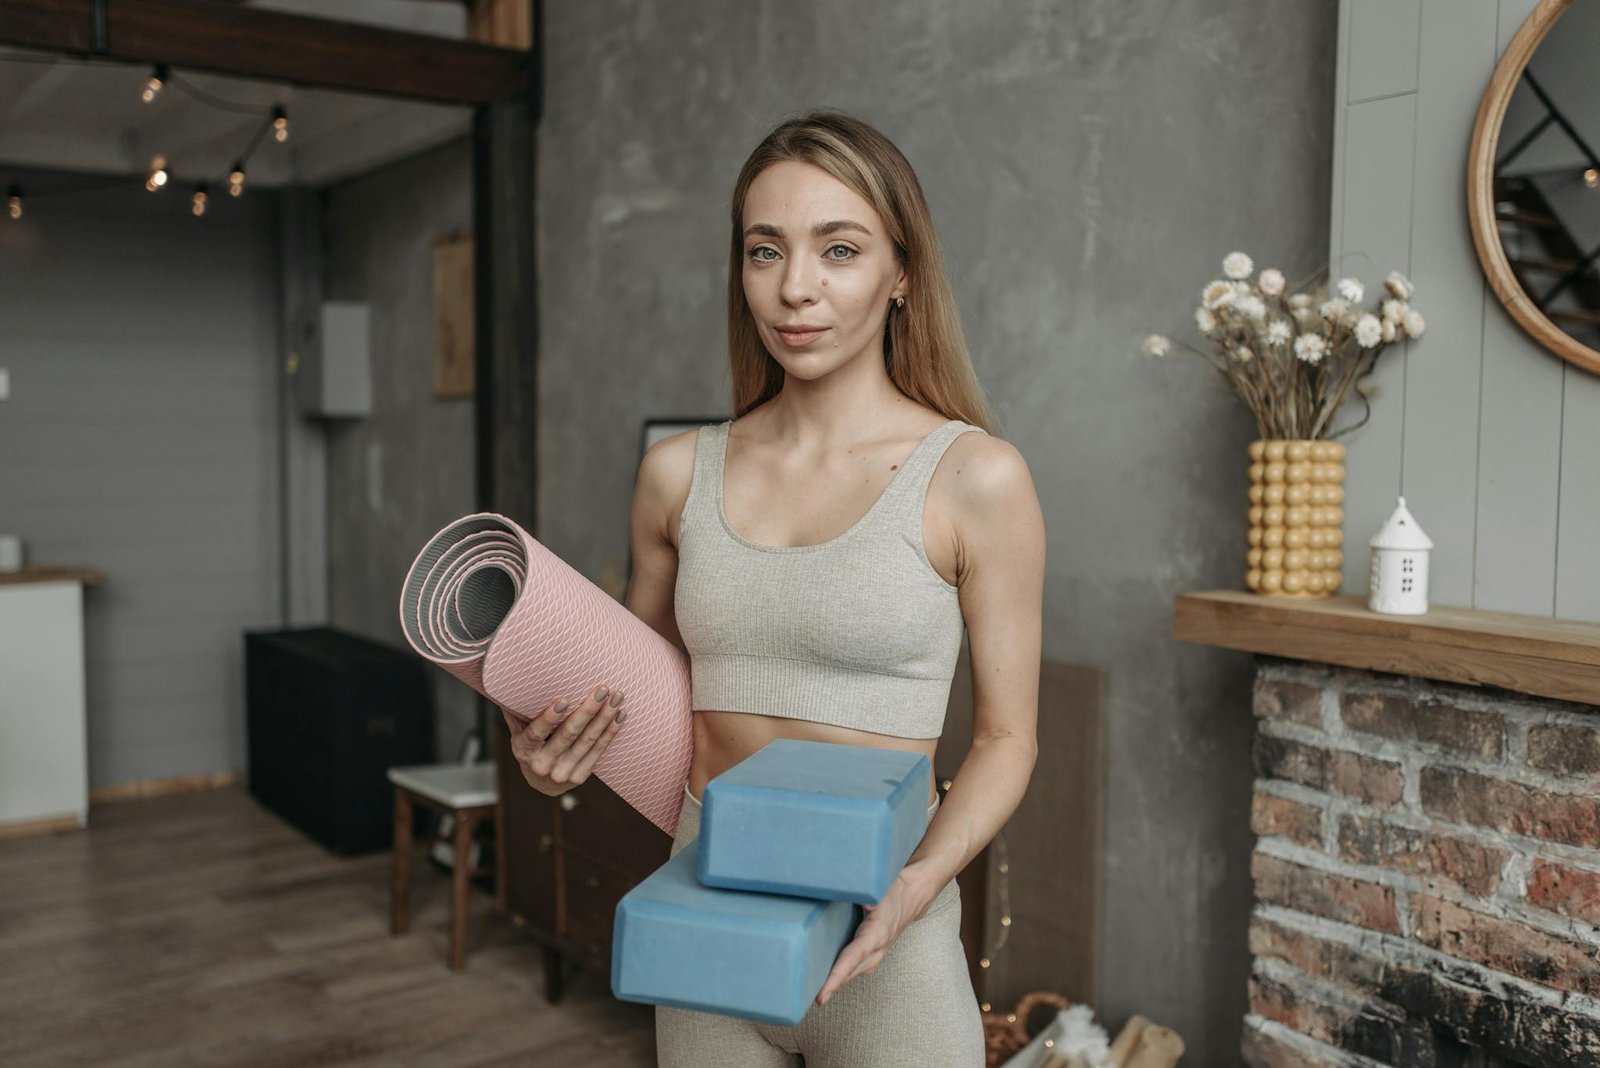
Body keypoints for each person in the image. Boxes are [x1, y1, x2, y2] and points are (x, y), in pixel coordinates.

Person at [503, 108, 1045, 1067]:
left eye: (839, 249)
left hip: (890, 943)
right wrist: (556, 747)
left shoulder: (975, 478)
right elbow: (626, 697)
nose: (797, 288)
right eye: (766, 251)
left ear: (902, 272)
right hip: (707, 920)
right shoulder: (677, 475)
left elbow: (1007, 739)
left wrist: (914, 892)